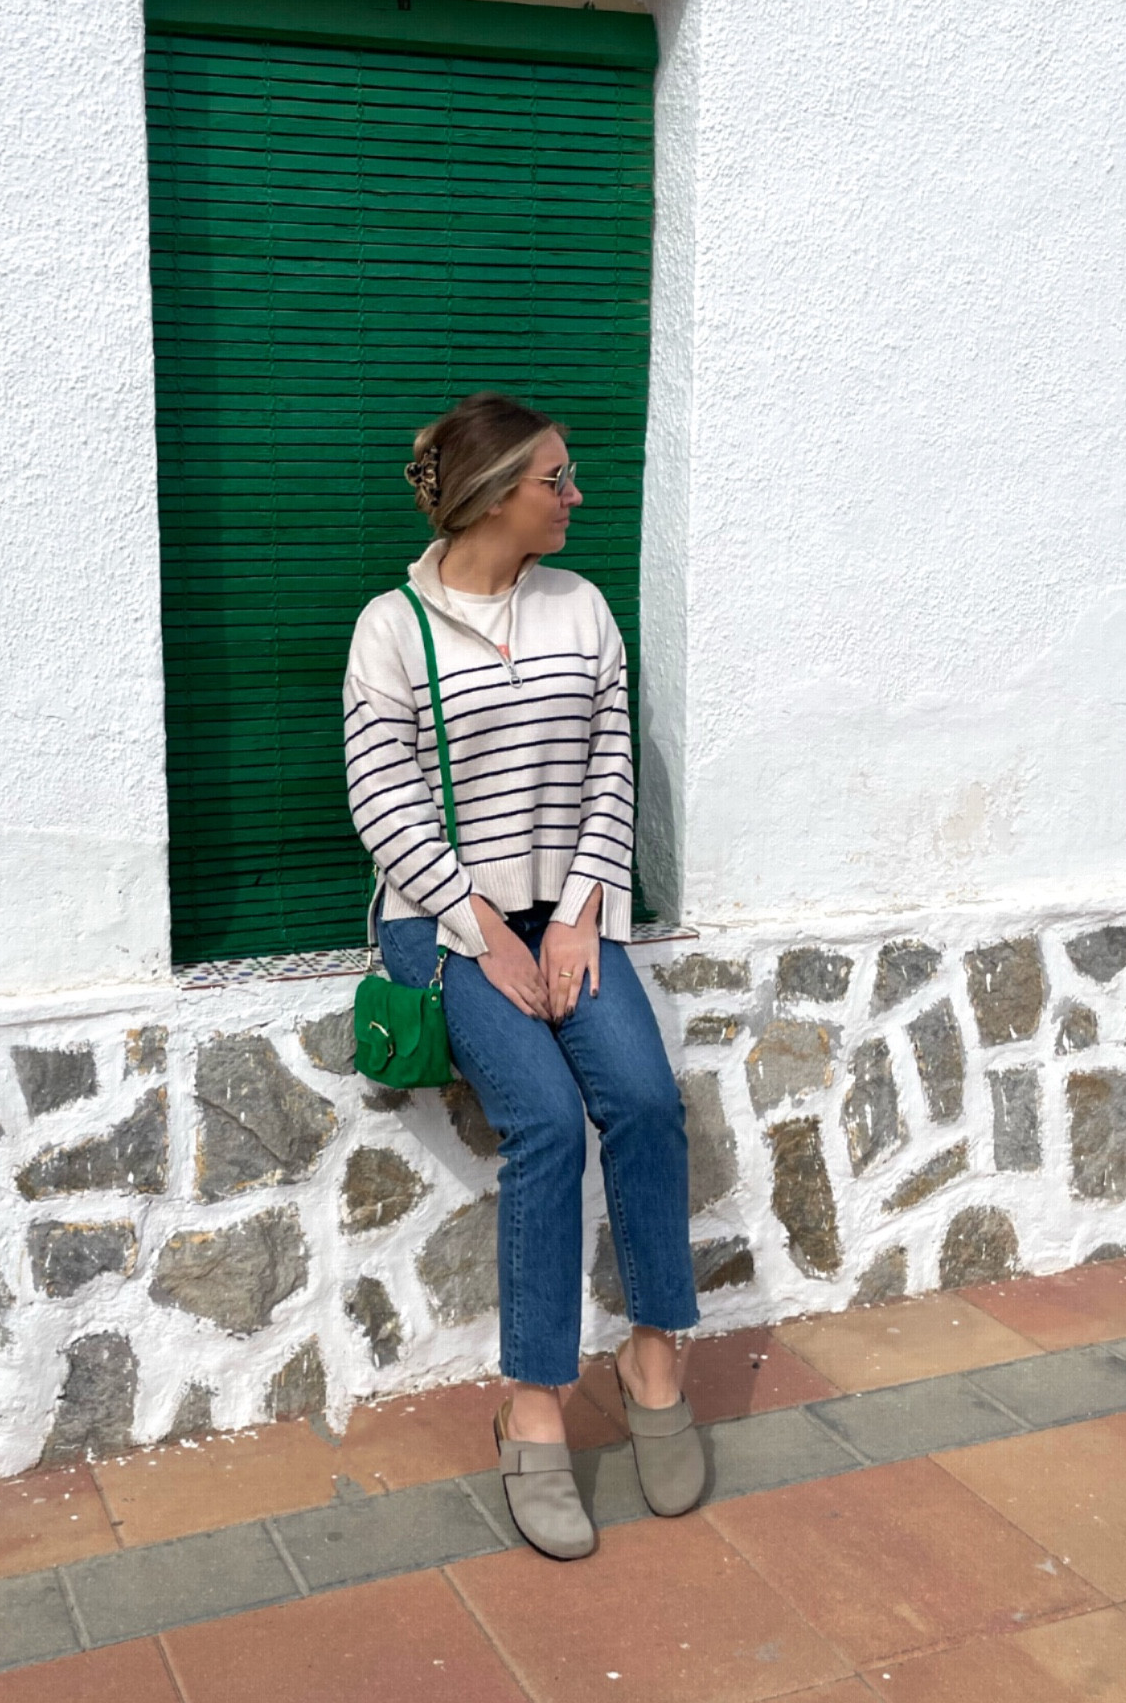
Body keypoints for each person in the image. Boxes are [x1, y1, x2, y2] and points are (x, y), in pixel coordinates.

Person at [343, 391, 703, 1560]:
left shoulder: (581, 606)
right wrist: (481, 923)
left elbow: (612, 760)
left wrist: (584, 905)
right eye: (558, 478)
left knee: (644, 1099)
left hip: (573, 911)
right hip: (442, 924)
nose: (576, 494)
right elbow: (381, 799)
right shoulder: (392, 627)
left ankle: (655, 1358)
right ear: (500, 493)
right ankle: (536, 1405)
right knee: (548, 1119)